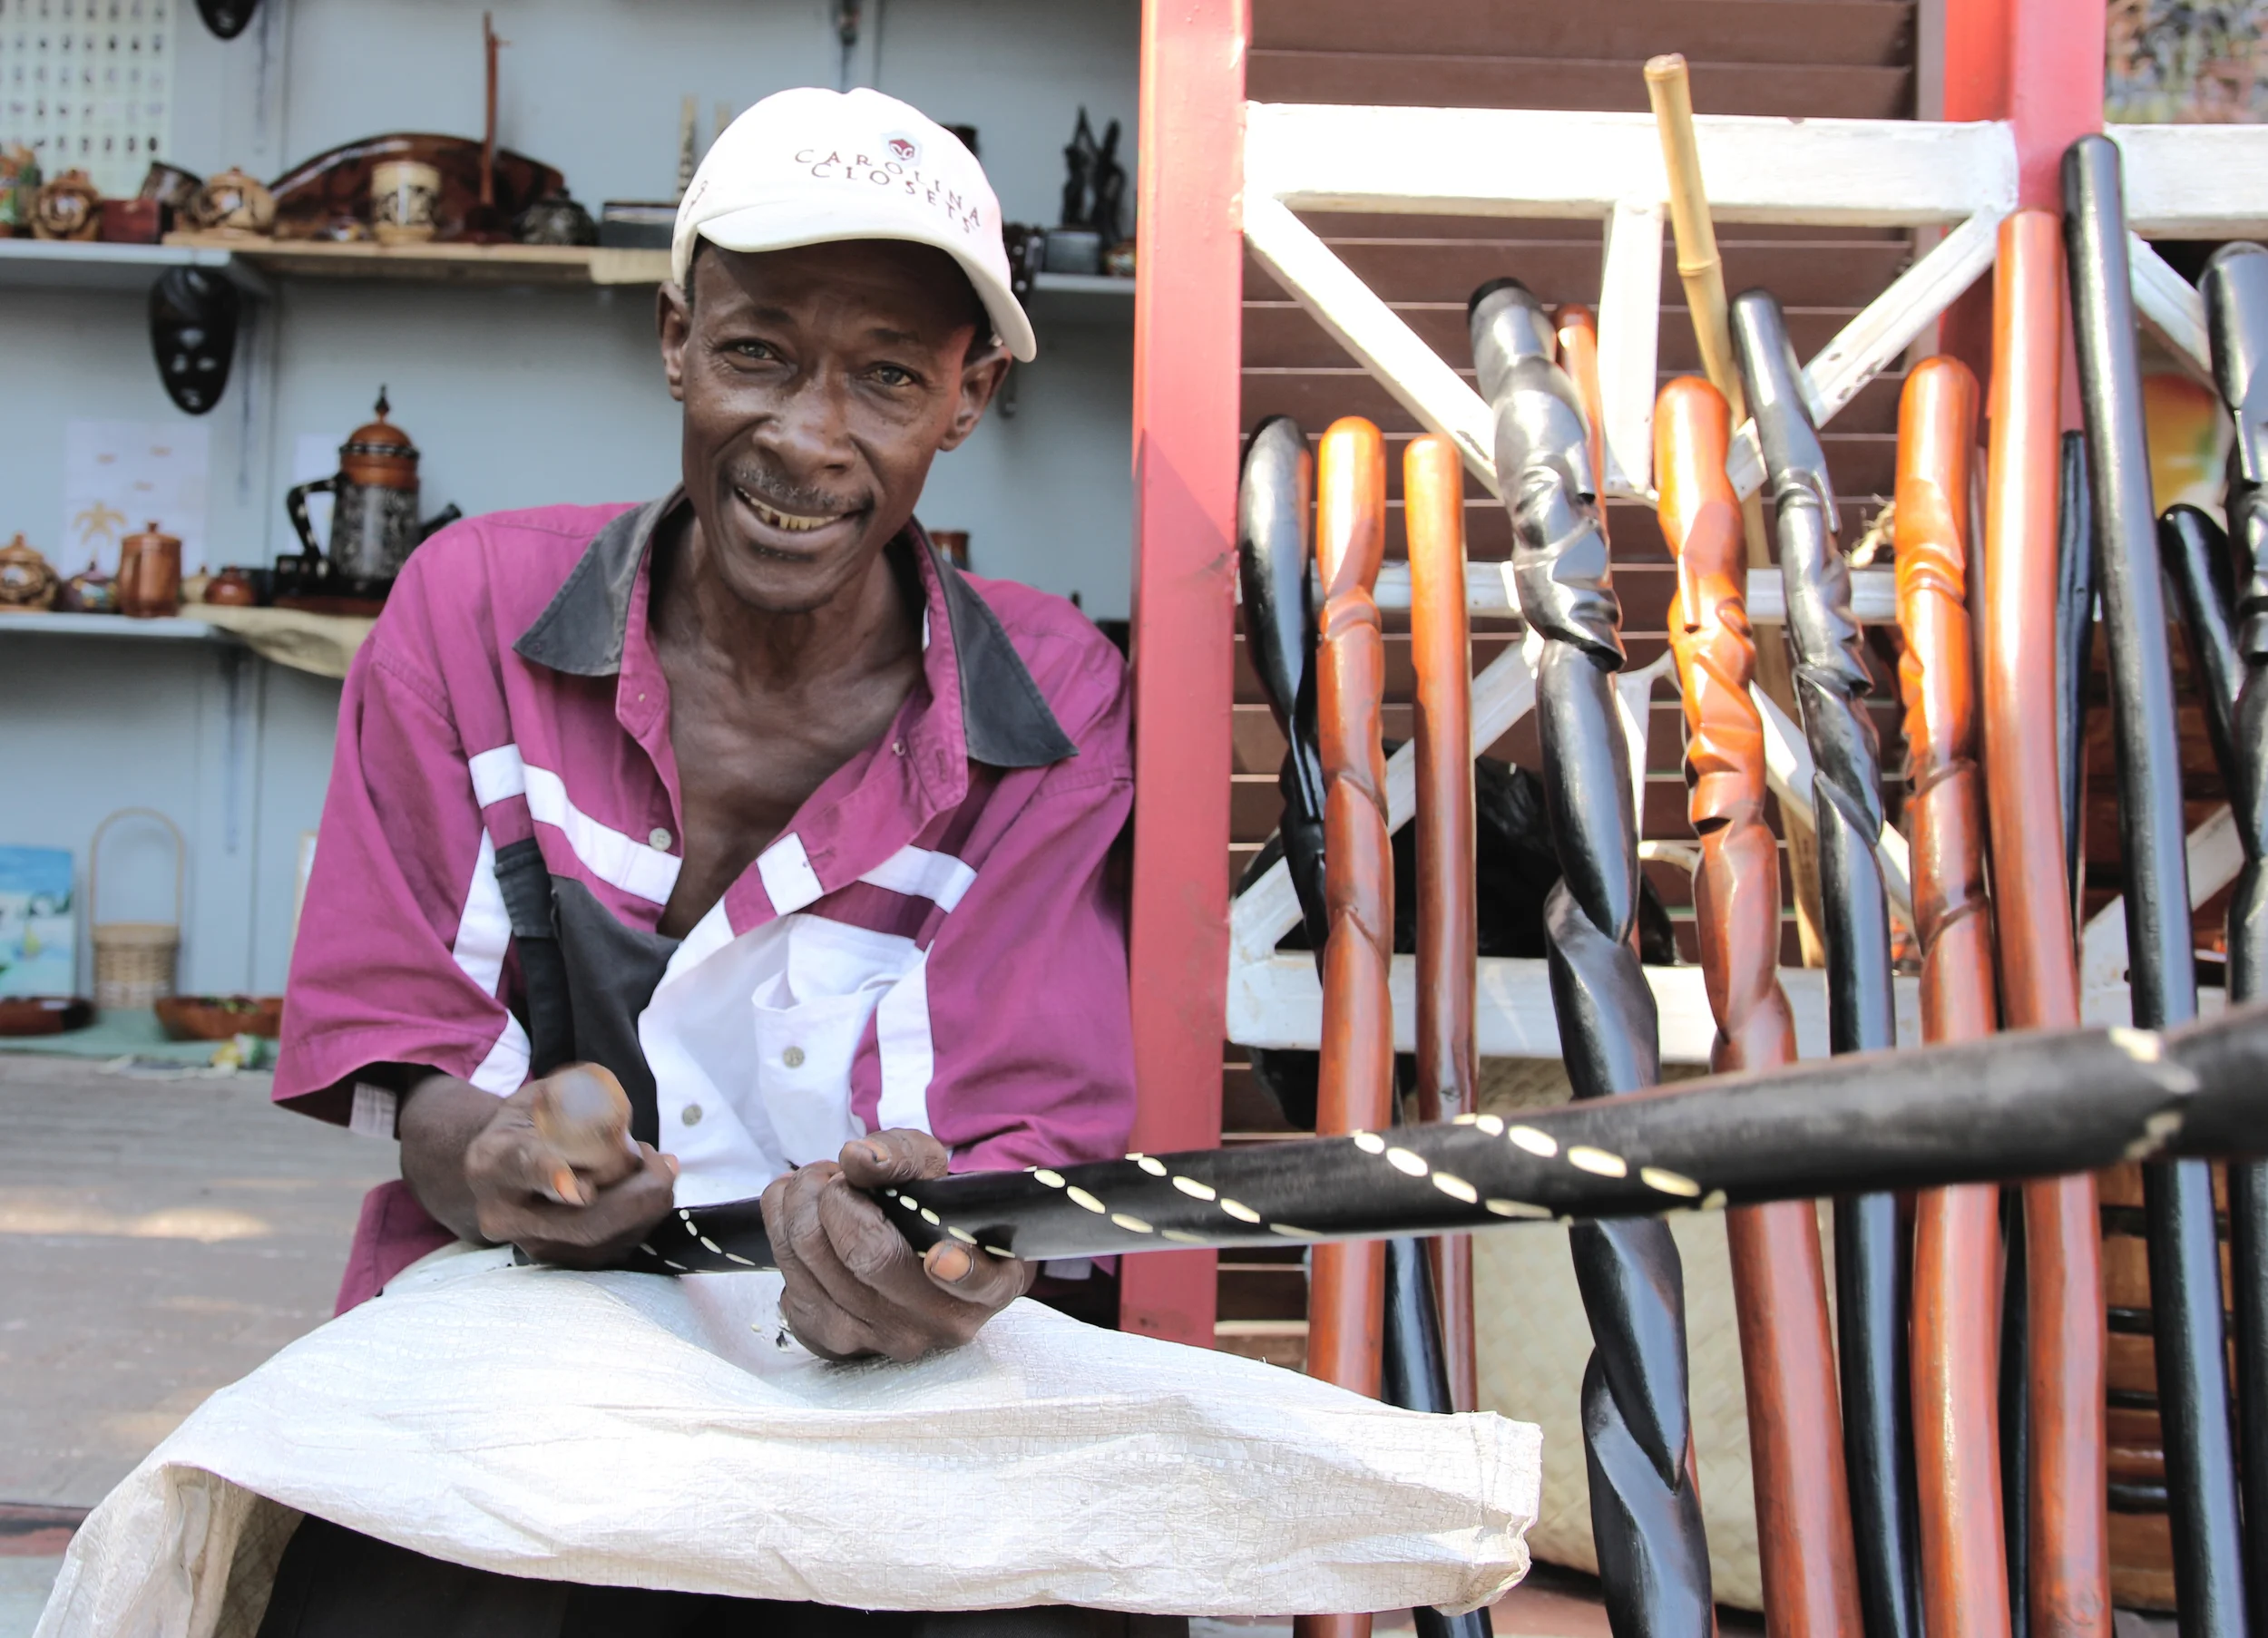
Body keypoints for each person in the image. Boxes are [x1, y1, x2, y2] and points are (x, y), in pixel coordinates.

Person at [263, 85, 1149, 1635]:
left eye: (885, 375)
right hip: (514, 1332)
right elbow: (407, 1072)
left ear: (971, 392)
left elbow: (1017, 1161)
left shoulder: (1048, 700)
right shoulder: (471, 616)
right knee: (366, 1597)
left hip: (878, 1380)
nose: (807, 436)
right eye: (756, 352)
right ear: (676, 338)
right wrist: (498, 1150)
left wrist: (925, 1251)